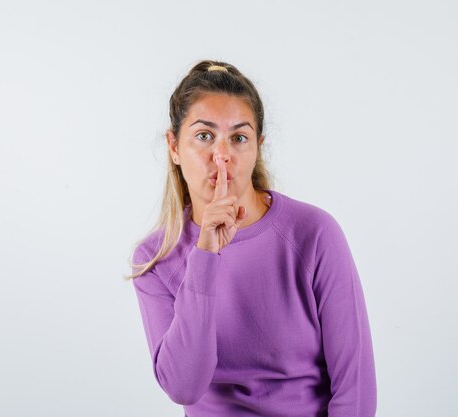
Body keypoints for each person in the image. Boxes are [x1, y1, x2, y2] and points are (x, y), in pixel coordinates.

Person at [126, 60, 377, 417]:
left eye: (239, 138)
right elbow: (184, 386)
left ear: (258, 146)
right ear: (174, 146)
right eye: (204, 136)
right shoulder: (155, 258)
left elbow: (355, 389)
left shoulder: (313, 233)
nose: (222, 155)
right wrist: (205, 254)